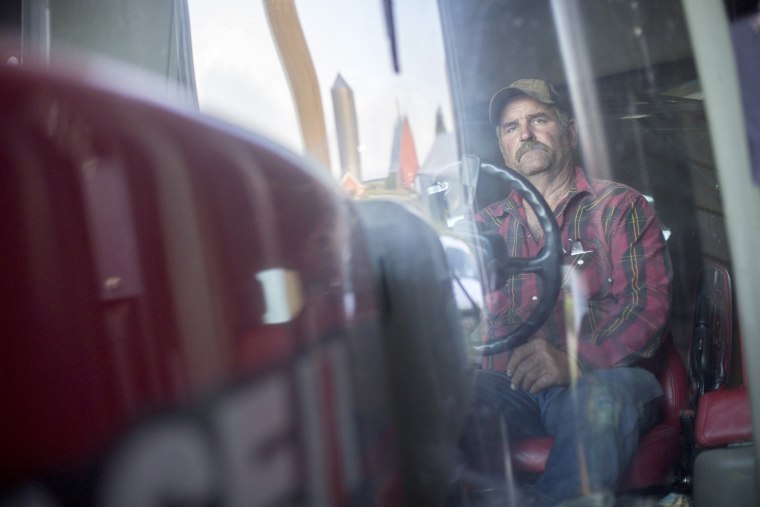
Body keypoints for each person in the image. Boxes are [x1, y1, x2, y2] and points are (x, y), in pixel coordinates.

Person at [463, 79, 673, 505]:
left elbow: (647, 311)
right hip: (508, 389)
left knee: (599, 402)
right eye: (510, 127)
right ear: (503, 148)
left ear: (570, 132)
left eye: (538, 119)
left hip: (600, 381)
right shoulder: (481, 228)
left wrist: (572, 362)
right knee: (438, 408)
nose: (524, 134)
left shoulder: (620, 208)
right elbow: (453, 312)